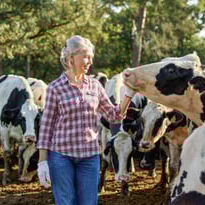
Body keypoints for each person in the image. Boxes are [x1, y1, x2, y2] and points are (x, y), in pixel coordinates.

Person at [36, 35, 135, 205]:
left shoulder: (95, 85)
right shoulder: (55, 88)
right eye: (86, 56)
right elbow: (46, 127)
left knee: (89, 202)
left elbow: (114, 115)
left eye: (91, 57)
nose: (90, 61)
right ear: (71, 58)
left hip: (89, 156)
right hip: (61, 156)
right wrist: (42, 161)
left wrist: (130, 93)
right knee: (66, 201)